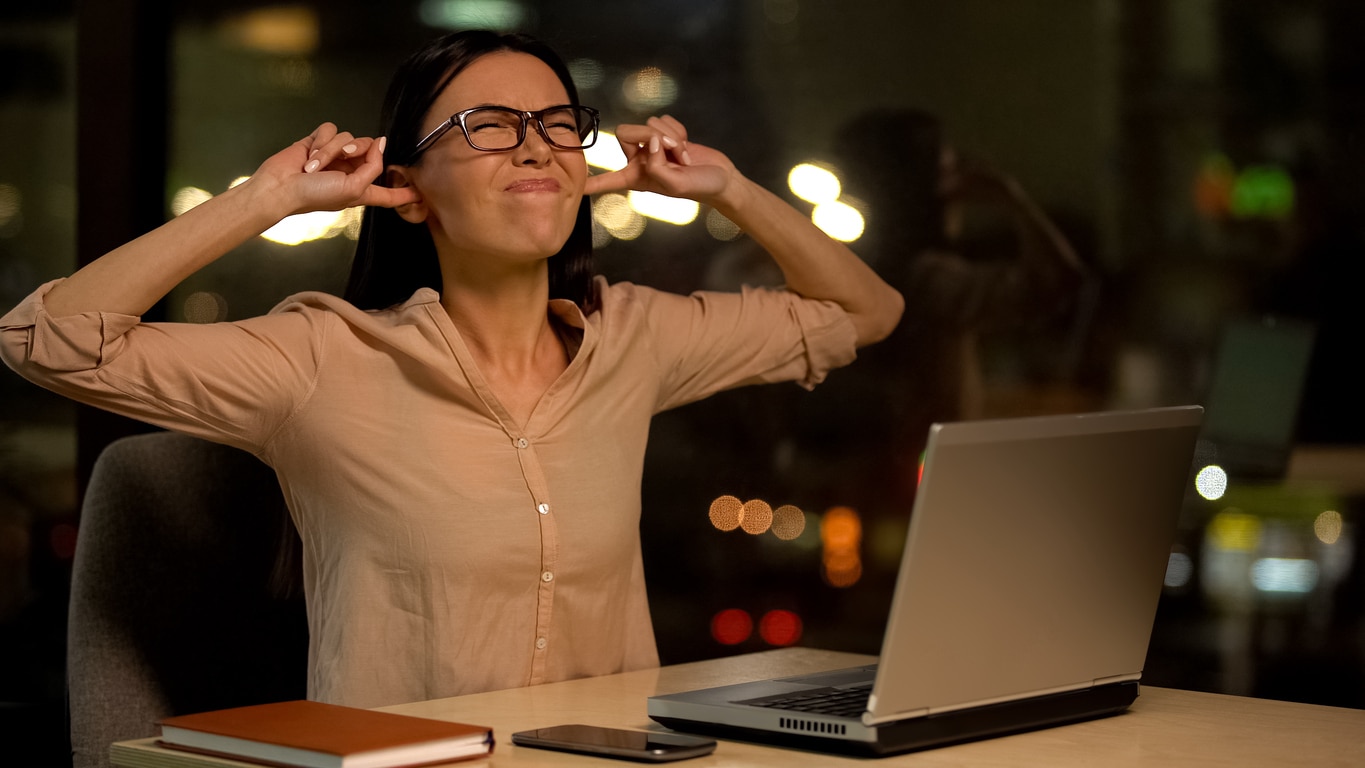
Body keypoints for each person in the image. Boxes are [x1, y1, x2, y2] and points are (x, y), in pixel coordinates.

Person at [0, 30, 903, 708]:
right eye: (489, 126)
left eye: (555, 124)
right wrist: (269, 199)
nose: (535, 144)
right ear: (411, 186)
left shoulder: (634, 338)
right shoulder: (323, 357)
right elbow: (47, 338)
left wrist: (729, 189)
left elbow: (865, 312)